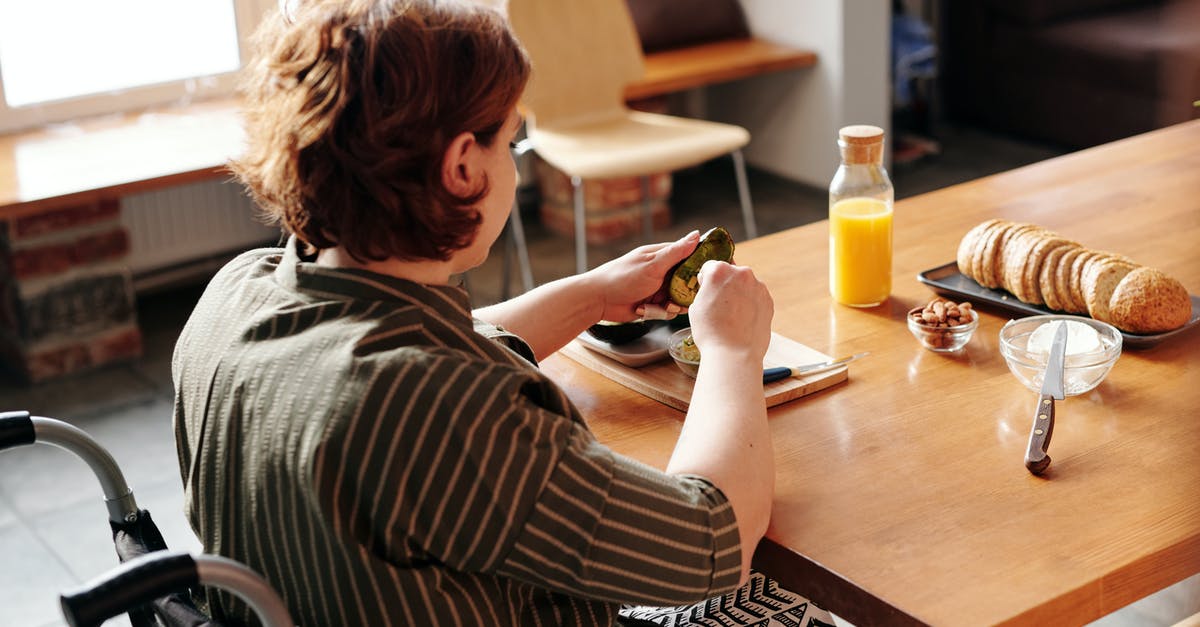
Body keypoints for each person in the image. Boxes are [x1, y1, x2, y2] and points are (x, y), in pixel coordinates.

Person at [172, 1, 785, 625]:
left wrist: (596, 294)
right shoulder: (438, 406)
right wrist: (733, 349)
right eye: (510, 140)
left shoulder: (234, 298)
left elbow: (441, 344)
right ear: (464, 167)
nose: (516, 170)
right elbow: (712, 543)